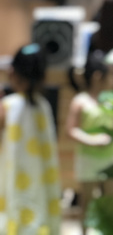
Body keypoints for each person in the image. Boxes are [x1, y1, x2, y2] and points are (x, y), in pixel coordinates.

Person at [0, 44, 61, 235]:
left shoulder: (8, 106)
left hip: (14, 182)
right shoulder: (43, 106)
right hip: (40, 182)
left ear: (13, 72)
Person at [66, 50, 113, 234]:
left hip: (110, 159)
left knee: (112, 200)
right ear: (98, 77)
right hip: (87, 159)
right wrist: (91, 140)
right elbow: (71, 130)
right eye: (112, 75)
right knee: (87, 202)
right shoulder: (80, 101)